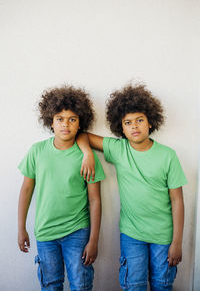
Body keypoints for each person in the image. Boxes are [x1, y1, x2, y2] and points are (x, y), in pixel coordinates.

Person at [77, 84, 187, 291]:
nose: (134, 126)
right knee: (133, 285)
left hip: (164, 237)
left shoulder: (168, 155)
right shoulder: (119, 149)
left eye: (139, 120)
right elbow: (83, 136)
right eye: (128, 122)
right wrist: (87, 153)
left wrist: (177, 242)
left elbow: (177, 200)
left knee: (162, 285)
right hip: (132, 235)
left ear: (150, 123)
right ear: (121, 127)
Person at [18, 85, 105, 291]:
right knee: (50, 285)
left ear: (79, 124)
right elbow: (26, 190)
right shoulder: (37, 151)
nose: (66, 124)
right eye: (60, 119)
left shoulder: (87, 158)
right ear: (51, 121)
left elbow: (95, 200)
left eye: (72, 119)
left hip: (77, 232)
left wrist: (93, 240)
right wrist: (21, 227)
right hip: (46, 232)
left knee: (81, 285)